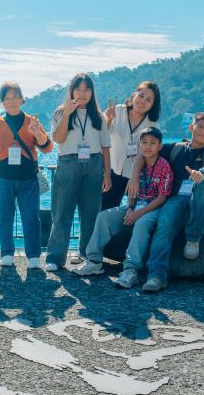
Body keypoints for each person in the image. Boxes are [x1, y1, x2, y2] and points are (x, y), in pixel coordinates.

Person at [127, 112, 204, 292]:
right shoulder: (175, 148)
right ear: (191, 127)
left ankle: (193, 238)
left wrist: (201, 172)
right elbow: (144, 153)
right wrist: (134, 177)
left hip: (200, 201)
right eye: (200, 126)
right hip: (176, 199)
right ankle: (156, 276)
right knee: (164, 225)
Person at [74, 127, 173, 288]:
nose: (148, 146)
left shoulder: (164, 167)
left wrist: (138, 213)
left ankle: (131, 269)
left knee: (141, 224)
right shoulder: (137, 165)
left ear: (160, 146)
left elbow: (162, 197)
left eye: (153, 143)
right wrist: (130, 208)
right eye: (144, 143)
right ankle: (94, 260)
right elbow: (132, 191)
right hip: (135, 205)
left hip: (152, 209)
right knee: (103, 217)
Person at [0, 81, 52, 269]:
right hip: (2, 178)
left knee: (31, 218)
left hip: (28, 179)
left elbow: (47, 148)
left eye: (15, 97)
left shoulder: (31, 121)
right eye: (7, 98)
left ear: (22, 99)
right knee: (4, 217)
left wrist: (37, 133)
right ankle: (7, 254)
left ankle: (33, 256)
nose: (12, 101)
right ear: (2, 102)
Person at [44, 73, 112, 272]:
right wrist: (67, 113)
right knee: (62, 212)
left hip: (94, 164)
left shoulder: (98, 115)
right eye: (78, 89)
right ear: (71, 91)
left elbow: (106, 146)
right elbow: (58, 138)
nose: (82, 94)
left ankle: (88, 257)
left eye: (87, 90)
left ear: (92, 92)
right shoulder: (60, 112)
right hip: (68, 162)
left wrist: (107, 174)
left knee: (91, 213)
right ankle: (55, 258)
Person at [101, 81, 161, 210]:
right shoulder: (116, 111)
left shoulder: (153, 125)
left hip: (137, 176)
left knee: (134, 213)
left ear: (152, 105)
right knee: (104, 212)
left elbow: (149, 154)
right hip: (111, 173)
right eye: (141, 95)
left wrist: (135, 178)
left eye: (148, 100)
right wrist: (108, 120)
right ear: (134, 94)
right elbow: (101, 138)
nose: (142, 101)